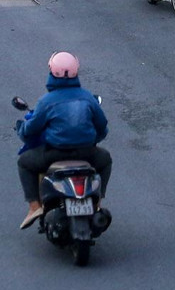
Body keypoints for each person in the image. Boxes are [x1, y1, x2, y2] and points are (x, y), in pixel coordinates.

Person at [15, 51, 111, 229]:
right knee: (105, 159)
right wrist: (93, 140)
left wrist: (21, 128)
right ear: (76, 71)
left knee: (24, 163)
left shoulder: (47, 101)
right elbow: (102, 127)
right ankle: (98, 202)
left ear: (51, 71)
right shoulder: (87, 98)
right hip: (87, 154)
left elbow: (30, 130)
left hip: (55, 154)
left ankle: (34, 206)